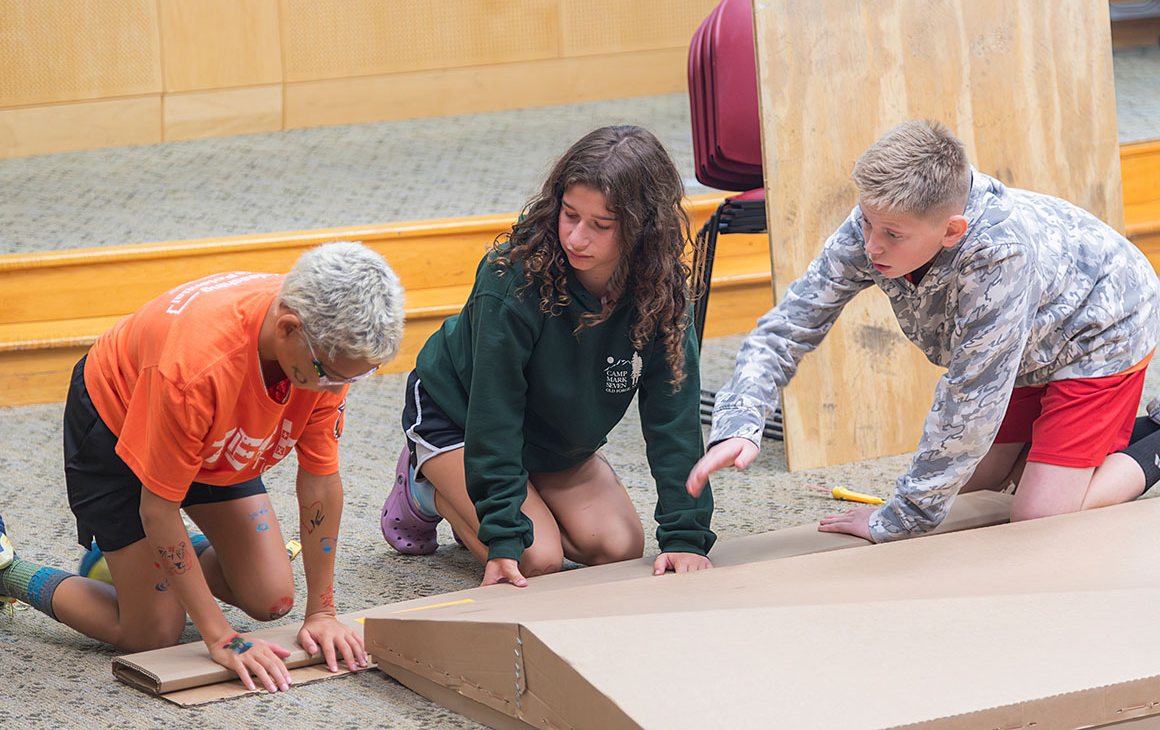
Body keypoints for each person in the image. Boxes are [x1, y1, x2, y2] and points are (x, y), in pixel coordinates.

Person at [687, 119, 1160, 542]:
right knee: (979, 483)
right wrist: (739, 421)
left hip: (1102, 325)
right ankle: (1089, 444)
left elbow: (971, 400)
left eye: (892, 235)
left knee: (1036, 516)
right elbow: (788, 326)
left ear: (952, 231)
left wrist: (900, 519)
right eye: (867, 223)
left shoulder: (999, 254)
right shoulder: (878, 223)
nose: (871, 245)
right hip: (1031, 337)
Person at [0, 241, 404, 694]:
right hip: (119, 422)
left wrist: (322, 612)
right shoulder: (195, 368)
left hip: (211, 429)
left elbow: (320, 480)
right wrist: (220, 636)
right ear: (289, 328)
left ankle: (137, 562)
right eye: (332, 374)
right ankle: (7, 572)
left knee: (271, 599)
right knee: (151, 635)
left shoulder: (323, 346)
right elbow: (158, 509)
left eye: (355, 377)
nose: (339, 388)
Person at [380, 125, 715, 586]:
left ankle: (508, 495)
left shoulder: (663, 291)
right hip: (460, 416)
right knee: (536, 559)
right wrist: (500, 534)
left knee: (617, 548)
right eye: (569, 214)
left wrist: (685, 535)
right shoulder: (511, 278)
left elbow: (673, 417)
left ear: (642, 229)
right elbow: (494, 410)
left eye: (601, 226)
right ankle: (427, 488)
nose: (577, 238)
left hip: (552, 438)